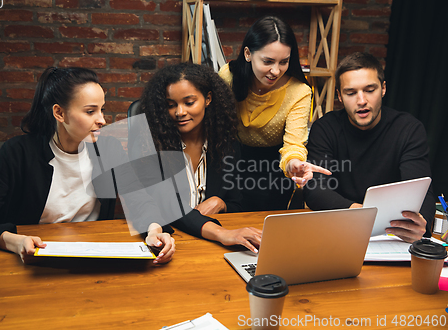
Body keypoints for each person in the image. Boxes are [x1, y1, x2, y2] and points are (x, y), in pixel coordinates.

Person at [0, 67, 175, 263]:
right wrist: (14, 241)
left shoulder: (108, 148)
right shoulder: (18, 152)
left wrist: (154, 229)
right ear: (59, 113)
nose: (102, 120)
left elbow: (138, 199)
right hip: (35, 258)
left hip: (92, 254)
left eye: (102, 109)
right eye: (91, 111)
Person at [303, 52, 435, 242]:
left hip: (392, 236)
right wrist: (365, 214)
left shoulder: (409, 129)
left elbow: (422, 190)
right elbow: (315, 190)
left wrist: (420, 223)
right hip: (338, 232)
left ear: (383, 89)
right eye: (351, 93)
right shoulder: (325, 128)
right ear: (339, 96)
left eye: (369, 90)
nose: (361, 100)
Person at [131, 63, 262, 253]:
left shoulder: (226, 145)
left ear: (208, 99)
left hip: (210, 246)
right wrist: (222, 234)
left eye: (189, 102)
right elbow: (167, 207)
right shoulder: (148, 145)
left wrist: (221, 203)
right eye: (171, 105)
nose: (179, 112)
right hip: (170, 241)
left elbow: (238, 202)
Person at [219, 15, 330, 211]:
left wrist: (294, 163)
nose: (276, 71)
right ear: (248, 54)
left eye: (284, 62)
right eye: (268, 61)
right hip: (228, 161)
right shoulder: (228, 76)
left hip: (273, 170)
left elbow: (294, 144)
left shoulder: (299, 92)